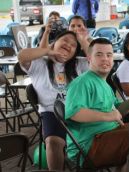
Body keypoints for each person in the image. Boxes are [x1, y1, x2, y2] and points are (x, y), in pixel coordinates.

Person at [65, 38, 129, 170]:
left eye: (109, 55)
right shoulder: (83, 82)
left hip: (107, 133)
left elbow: (116, 111)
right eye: (99, 55)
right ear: (89, 58)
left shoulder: (103, 83)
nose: (105, 59)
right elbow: (75, 113)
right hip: (88, 145)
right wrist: (108, 116)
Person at [18, 31, 89, 171]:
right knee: (53, 142)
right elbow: (22, 56)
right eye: (65, 41)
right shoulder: (40, 63)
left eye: (74, 45)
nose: (68, 45)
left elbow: (97, 58)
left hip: (80, 111)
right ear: (54, 43)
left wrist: (83, 40)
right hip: (52, 113)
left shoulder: (79, 64)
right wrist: (48, 51)